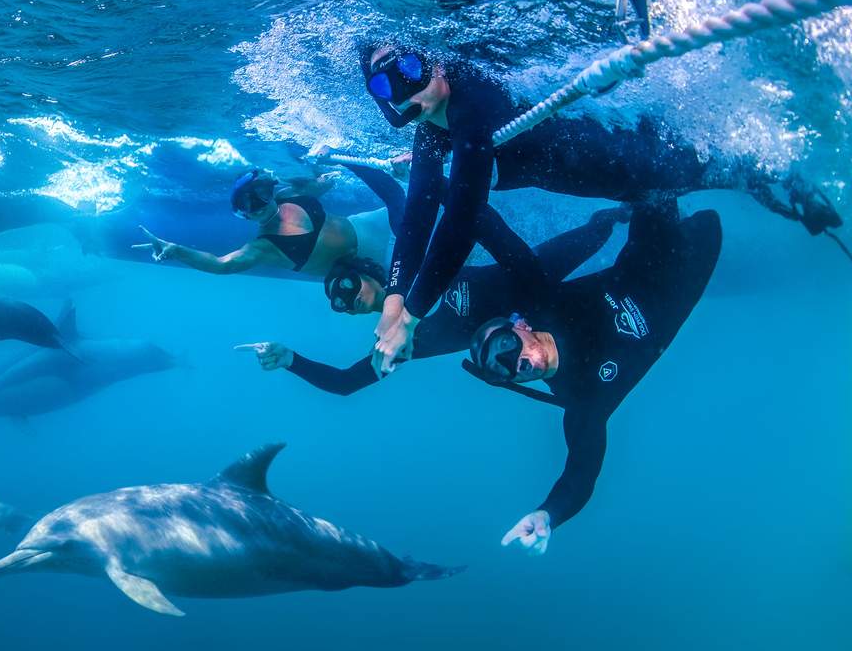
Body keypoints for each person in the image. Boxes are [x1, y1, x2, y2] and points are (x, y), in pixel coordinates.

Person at [244, 199, 722, 554]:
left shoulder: (532, 302)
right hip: (686, 267)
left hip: (578, 273)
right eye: (504, 371)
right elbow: (581, 471)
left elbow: (464, 217)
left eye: (510, 352)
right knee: (690, 216)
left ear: (521, 329)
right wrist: (548, 514)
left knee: (647, 188)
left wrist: (447, 164)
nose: (518, 364)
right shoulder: (581, 398)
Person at [361, 42, 842, 372]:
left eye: (409, 68)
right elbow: (420, 212)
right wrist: (395, 296)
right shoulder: (432, 131)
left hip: (624, 162)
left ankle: (783, 180)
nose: (408, 86)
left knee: (714, 171)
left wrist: (414, 314)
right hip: (607, 183)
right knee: (693, 182)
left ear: (428, 59)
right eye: (388, 86)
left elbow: (463, 218)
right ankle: (771, 185)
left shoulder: (470, 102)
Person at [239, 204, 627, 393]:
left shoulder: (409, 269)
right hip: (543, 326)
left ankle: (634, 208)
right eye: (337, 303)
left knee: (599, 231)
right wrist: (290, 359)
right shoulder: (401, 344)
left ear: (369, 272)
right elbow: (344, 383)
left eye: (346, 286)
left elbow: (426, 214)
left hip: (528, 273)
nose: (346, 300)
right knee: (617, 294)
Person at [133, 166, 394, 278]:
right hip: (371, 264)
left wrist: (308, 174)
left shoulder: (290, 194)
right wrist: (177, 251)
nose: (259, 204)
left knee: (425, 207)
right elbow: (221, 265)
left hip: (369, 225)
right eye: (248, 204)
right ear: (242, 214)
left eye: (262, 193)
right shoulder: (264, 247)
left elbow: (327, 181)